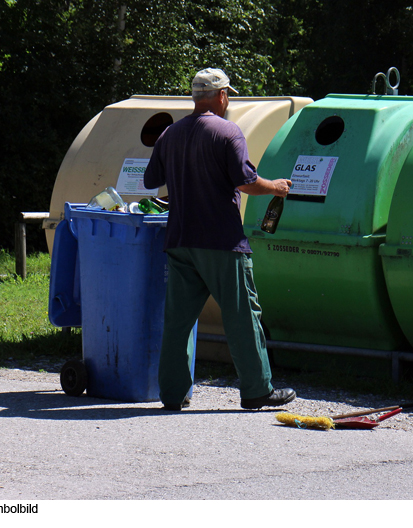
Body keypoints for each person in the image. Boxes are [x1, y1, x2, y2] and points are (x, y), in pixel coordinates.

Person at [144, 67, 296, 411]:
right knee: (242, 316)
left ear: (196, 98)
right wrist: (276, 187)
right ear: (223, 96)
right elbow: (245, 182)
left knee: (178, 321)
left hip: (180, 240)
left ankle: (172, 393)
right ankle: (257, 390)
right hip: (222, 242)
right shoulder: (228, 131)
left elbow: (153, 179)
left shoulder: (170, 134)